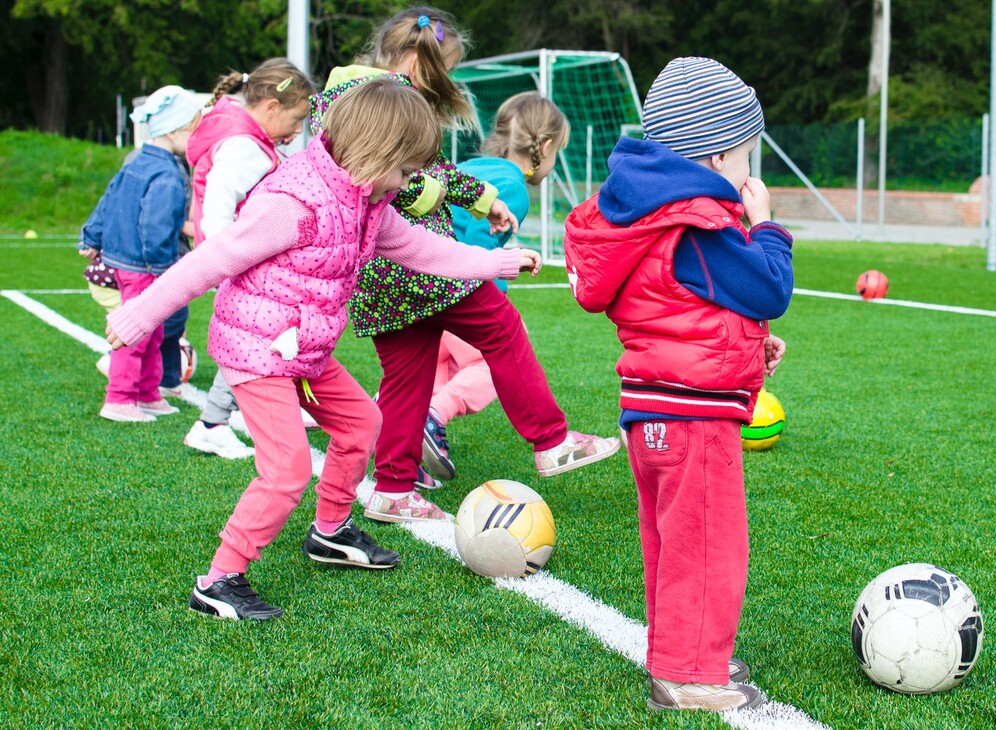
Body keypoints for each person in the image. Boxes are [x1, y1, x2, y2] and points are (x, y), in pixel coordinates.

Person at [104, 78, 541, 621]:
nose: (410, 184)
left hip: (304, 351)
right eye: (406, 171)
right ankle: (218, 581)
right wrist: (140, 314)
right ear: (375, 153)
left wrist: (498, 262)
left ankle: (330, 532)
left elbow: (420, 249)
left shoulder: (368, 200)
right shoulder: (294, 202)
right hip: (257, 350)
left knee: (363, 424)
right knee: (286, 469)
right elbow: (212, 260)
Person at [310, 6, 619, 526]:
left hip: (378, 274)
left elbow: (430, 169)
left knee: (408, 376)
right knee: (501, 328)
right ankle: (551, 440)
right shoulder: (379, 99)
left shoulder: (346, 94)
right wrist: (442, 200)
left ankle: (392, 488)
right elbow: (398, 181)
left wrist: (483, 201)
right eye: (442, 70)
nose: (444, 82)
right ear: (414, 59)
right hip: (418, 264)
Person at [564, 57, 794, 712]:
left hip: (655, 409)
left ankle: (683, 652)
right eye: (748, 155)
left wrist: (749, 347)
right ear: (718, 153)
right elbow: (769, 285)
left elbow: (681, 307)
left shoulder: (650, 215)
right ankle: (689, 676)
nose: (751, 172)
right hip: (692, 418)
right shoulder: (697, 222)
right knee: (707, 546)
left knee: (673, 544)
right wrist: (766, 225)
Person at [422, 91, 571, 481]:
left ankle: (395, 427)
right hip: (451, 288)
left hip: (417, 286)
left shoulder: (473, 166)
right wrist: (496, 296)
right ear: (545, 146)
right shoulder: (514, 189)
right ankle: (434, 416)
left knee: (429, 370)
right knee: (494, 360)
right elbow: (475, 247)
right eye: (558, 153)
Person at [180, 58, 317, 460]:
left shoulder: (247, 138)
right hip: (242, 263)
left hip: (242, 261)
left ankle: (228, 416)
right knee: (255, 340)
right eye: (296, 120)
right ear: (271, 108)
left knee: (262, 337)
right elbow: (218, 210)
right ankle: (212, 423)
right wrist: (231, 258)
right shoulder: (244, 148)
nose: (296, 133)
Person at [79, 85, 202, 423]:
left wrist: (91, 234)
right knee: (136, 331)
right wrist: (164, 269)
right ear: (176, 130)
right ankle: (119, 398)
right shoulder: (166, 173)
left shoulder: (138, 160)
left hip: (129, 260)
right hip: (145, 265)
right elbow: (155, 224)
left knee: (154, 330)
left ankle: (148, 393)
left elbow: (108, 198)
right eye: (194, 129)